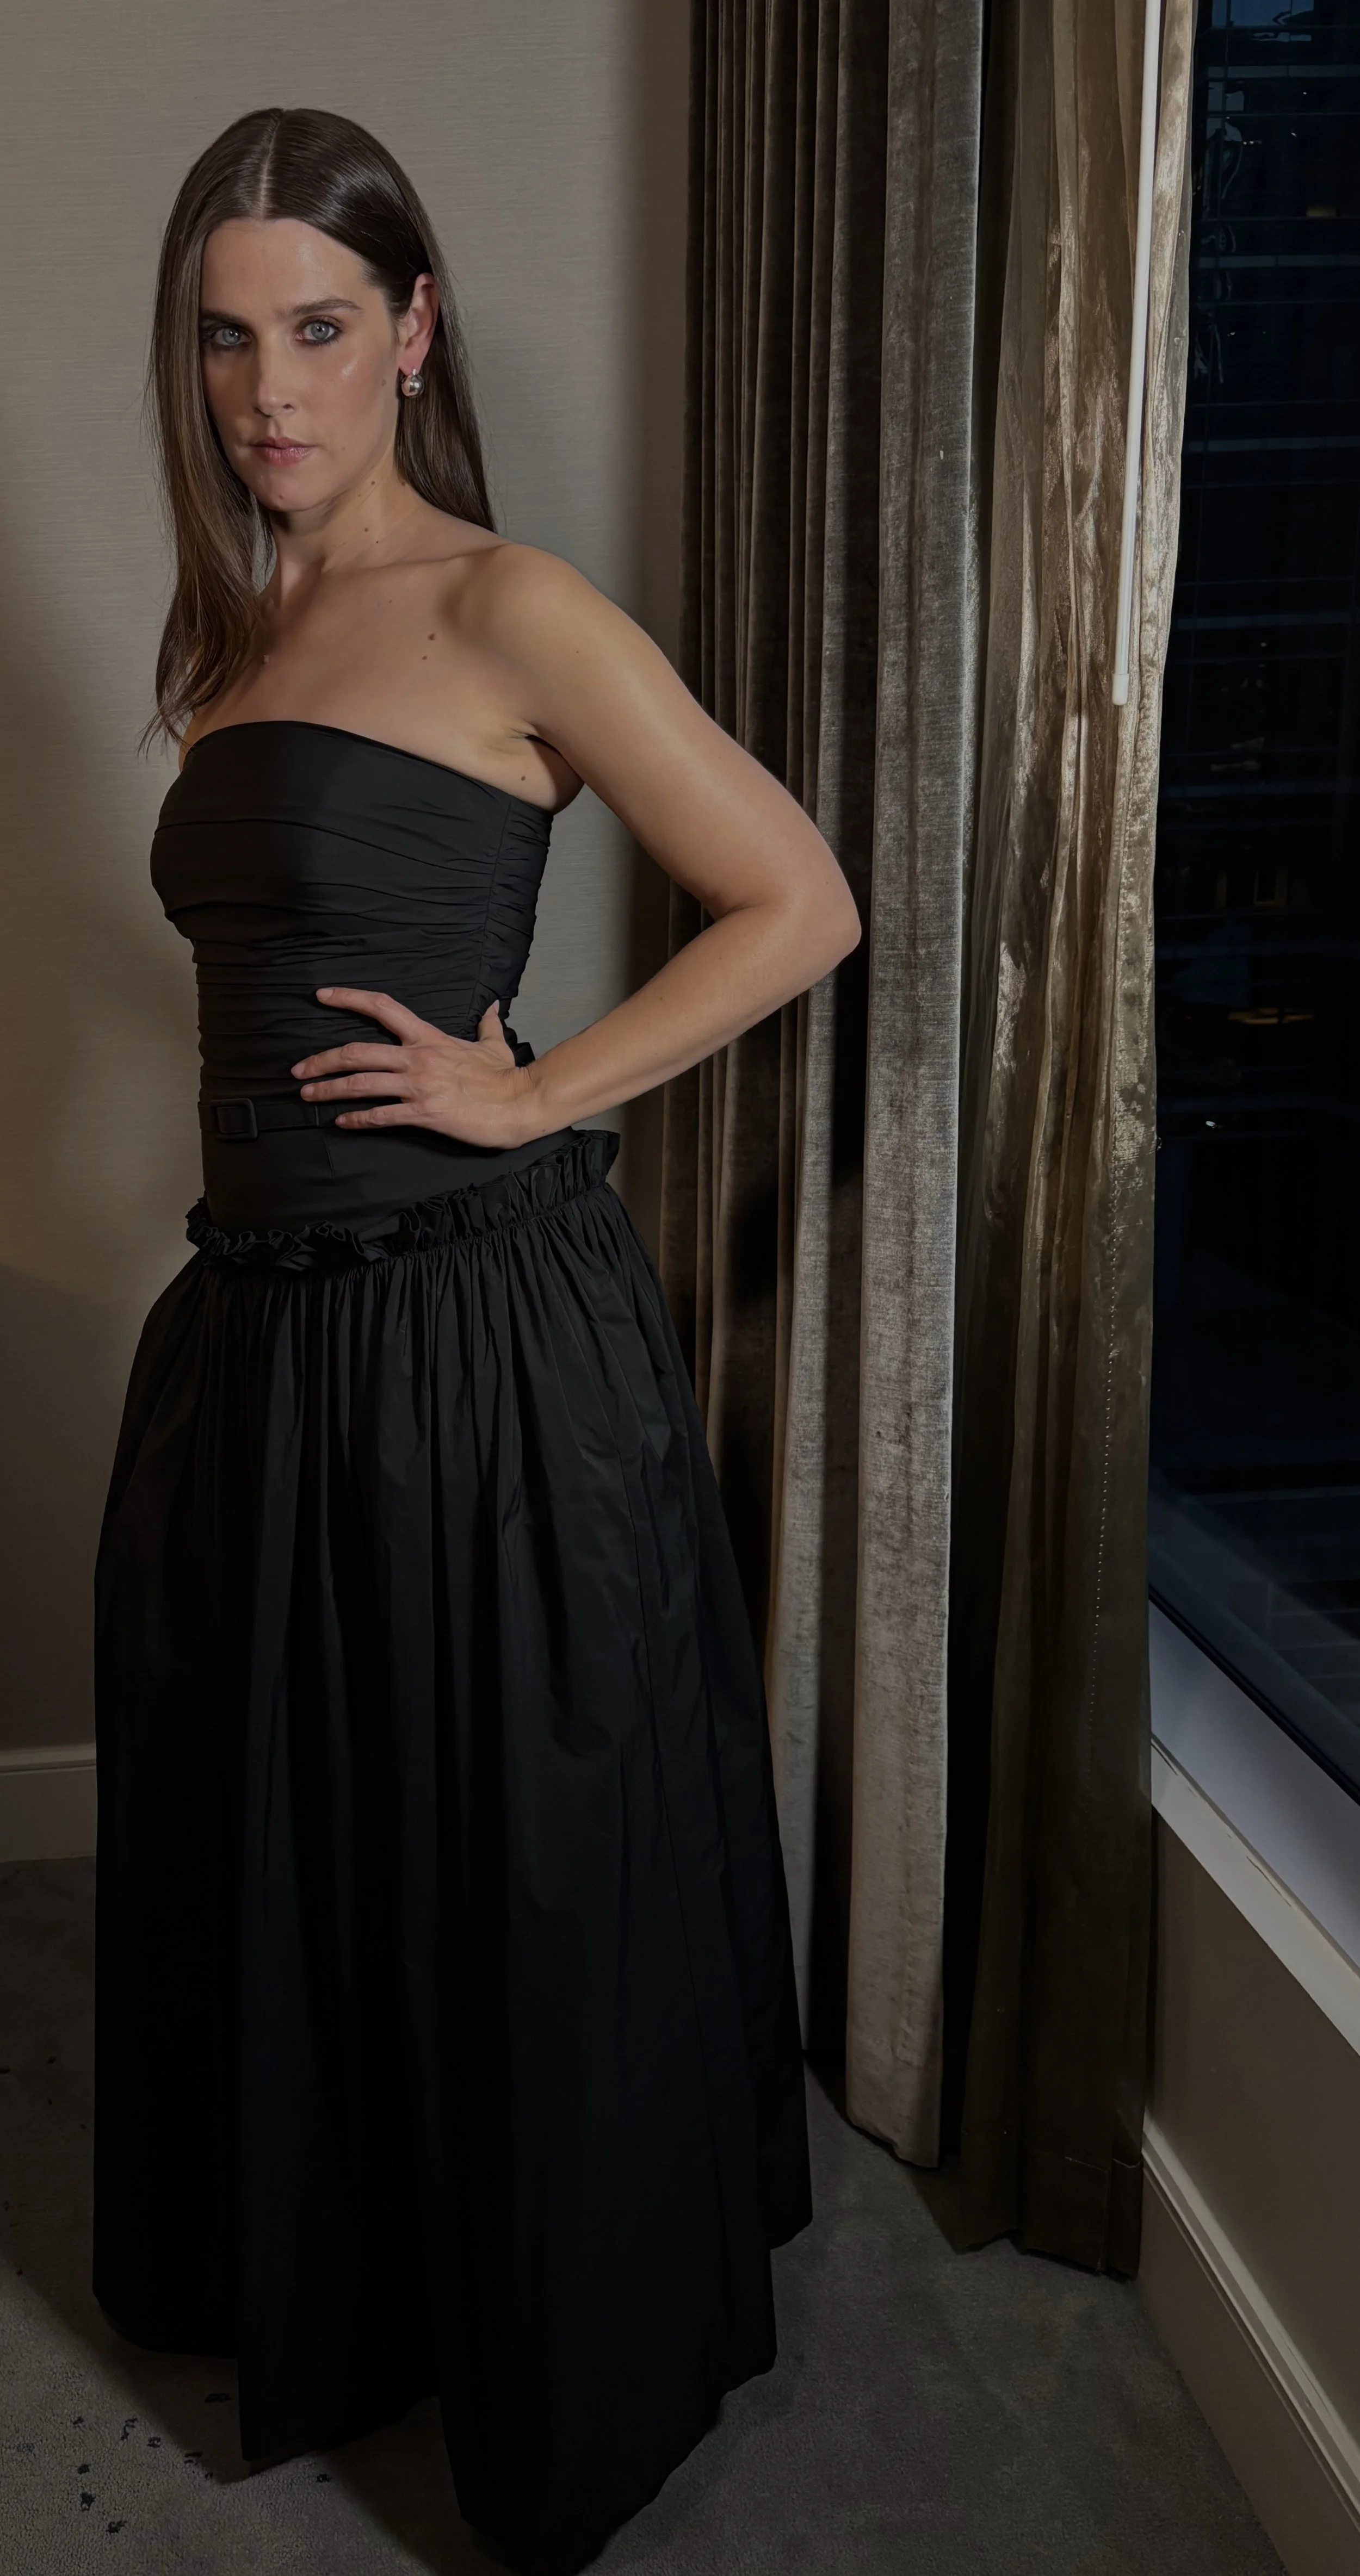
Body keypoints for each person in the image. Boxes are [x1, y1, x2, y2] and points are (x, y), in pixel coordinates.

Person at [91, 105, 858, 2576]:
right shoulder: (244, 615)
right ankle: (359, 2274)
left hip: (473, 1348)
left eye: (318, 329)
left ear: (411, 331)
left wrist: (526, 1084)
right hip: (272, 1334)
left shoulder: (515, 605)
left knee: (503, 1867)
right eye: (227, 339)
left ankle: (545, 2336)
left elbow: (797, 900)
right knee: (332, 1852)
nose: (268, 390)